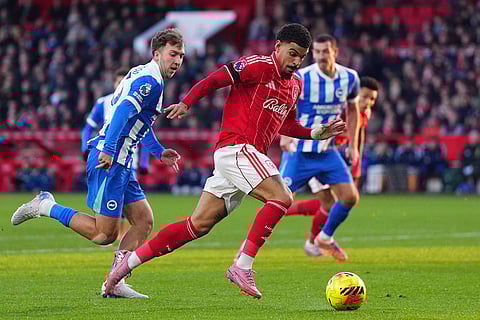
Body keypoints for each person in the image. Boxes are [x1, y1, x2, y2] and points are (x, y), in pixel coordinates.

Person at [104, 23, 346, 299]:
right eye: (292, 53)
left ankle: (124, 266)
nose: (295, 61)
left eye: (301, 57)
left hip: (246, 158)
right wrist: (187, 102)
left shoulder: (295, 85)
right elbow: (215, 79)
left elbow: (288, 124)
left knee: (197, 225)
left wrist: (316, 132)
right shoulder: (257, 66)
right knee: (282, 197)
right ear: (277, 47)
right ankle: (242, 266)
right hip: (236, 148)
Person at [11, 28, 184, 298]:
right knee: (103, 235)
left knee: (143, 221)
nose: (178, 61)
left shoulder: (143, 73)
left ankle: (115, 282)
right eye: (173, 54)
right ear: (157, 53)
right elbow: (125, 110)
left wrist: (158, 151)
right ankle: (45, 205)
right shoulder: (151, 81)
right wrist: (111, 148)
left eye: (181, 56)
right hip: (112, 160)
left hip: (123, 162)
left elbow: (138, 121)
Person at [278, 34, 361, 262]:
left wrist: (353, 145)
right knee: (278, 202)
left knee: (349, 197)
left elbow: (353, 111)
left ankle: (323, 238)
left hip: (327, 152)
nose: (321, 56)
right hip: (299, 152)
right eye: (317, 52)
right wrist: (284, 135)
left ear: (335, 52)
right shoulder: (302, 77)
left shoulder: (350, 78)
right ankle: (245, 253)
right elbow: (284, 104)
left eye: (326, 52)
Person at [283, 77, 380, 258]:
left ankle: (315, 242)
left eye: (372, 99)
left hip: (327, 155)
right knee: (287, 200)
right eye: (365, 97)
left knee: (331, 202)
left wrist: (356, 164)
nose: (368, 103)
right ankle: (314, 240)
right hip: (307, 152)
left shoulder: (364, 114)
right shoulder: (338, 109)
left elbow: (358, 133)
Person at [81, 68, 150, 175]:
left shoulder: (138, 105)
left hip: (129, 161)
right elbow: (88, 129)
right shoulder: (103, 103)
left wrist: (144, 162)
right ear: (114, 84)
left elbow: (145, 135)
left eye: (125, 82)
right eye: (119, 82)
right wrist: (85, 149)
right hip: (106, 157)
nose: (121, 86)